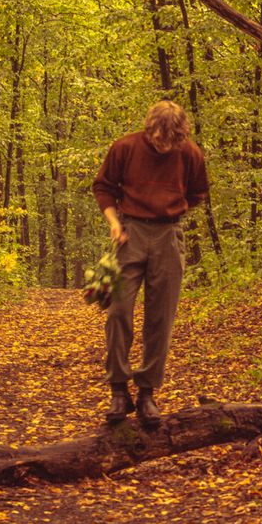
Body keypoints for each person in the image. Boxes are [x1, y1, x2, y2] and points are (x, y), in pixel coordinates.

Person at [92, 100, 209, 427]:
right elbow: (103, 187)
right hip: (129, 234)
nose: (164, 146)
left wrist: (173, 211)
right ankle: (118, 390)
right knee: (117, 311)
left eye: (171, 141)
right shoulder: (125, 147)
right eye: (159, 139)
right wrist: (115, 222)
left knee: (161, 319)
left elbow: (199, 193)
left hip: (169, 237)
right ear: (150, 129)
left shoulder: (189, 153)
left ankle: (147, 393)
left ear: (180, 135)